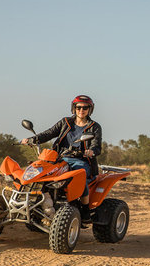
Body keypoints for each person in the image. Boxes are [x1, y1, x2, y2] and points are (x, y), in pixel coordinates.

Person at [21, 95, 102, 223]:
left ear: (90, 109)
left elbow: (96, 146)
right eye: (78, 107)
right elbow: (49, 133)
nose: (81, 110)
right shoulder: (65, 122)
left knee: (80, 176)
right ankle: (40, 204)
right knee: (44, 174)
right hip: (59, 158)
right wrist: (33, 139)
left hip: (81, 160)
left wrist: (91, 151)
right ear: (74, 108)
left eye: (85, 107)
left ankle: (85, 210)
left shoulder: (94, 127)